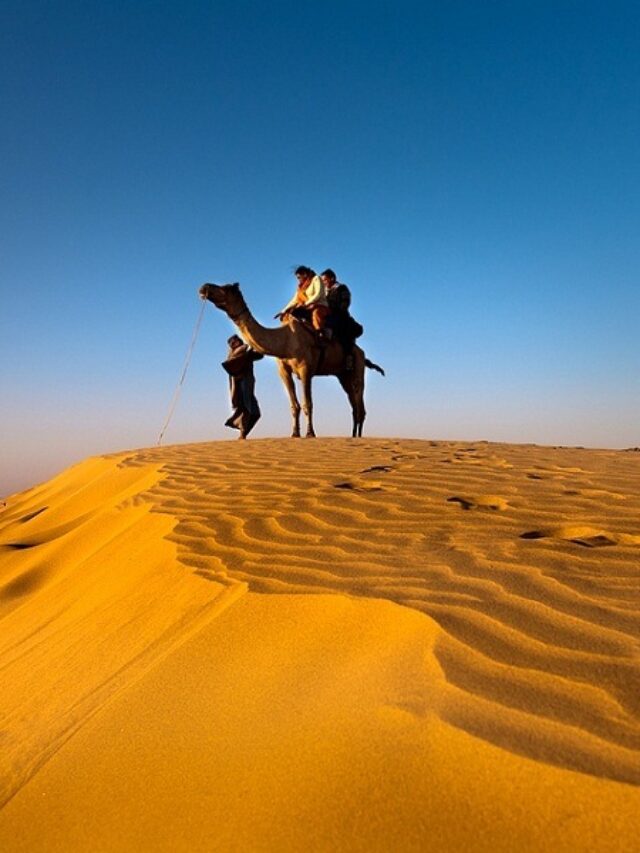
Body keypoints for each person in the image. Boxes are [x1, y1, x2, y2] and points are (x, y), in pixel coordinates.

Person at [221, 334, 263, 439]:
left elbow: (259, 355)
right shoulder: (237, 353)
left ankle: (243, 433)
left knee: (252, 411)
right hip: (240, 386)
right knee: (246, 409)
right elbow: (244, 350)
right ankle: (242, 433)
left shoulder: (246, 354)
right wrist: (251, 344)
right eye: (234, 342)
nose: (237, 343)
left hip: (246, 385)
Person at [320, 268, 363, 370]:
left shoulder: (342, 288)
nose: (324, 283)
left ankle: (349, 358)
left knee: (344, 333)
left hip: (340, 315)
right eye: (323, 281)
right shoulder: (324, 292)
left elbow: (345, 303)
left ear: (332, 278)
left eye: (325, 280)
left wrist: (334, 311)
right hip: (327, 315)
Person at [276, 266, 330, 338]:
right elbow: (294, 300)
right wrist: (283, 310)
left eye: (299, 277)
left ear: (304, 274)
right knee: (289, 313)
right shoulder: (300, 287)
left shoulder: (316, 279)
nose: (298, 280)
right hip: (306, 307)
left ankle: (320, 333)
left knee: (316, 314)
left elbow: (318, 294)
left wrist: (306, 304)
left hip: (320, 305)